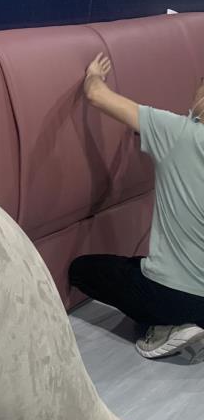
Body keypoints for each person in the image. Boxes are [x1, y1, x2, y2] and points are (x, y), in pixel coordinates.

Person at [69, 53, 204, 361]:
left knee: (82, 270)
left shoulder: (177, 132)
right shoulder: (173, 132)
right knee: (137, 267)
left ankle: (167, 326)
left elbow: (96, 96)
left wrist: (93, 75)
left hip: (171, 296)